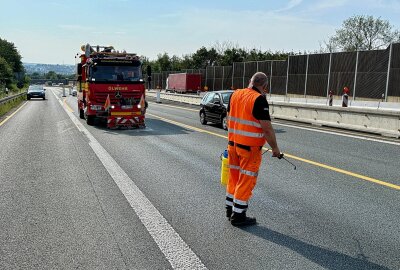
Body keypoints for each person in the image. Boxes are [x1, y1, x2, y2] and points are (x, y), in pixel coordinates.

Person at [226, 72, 281, 226]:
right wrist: (275, 148)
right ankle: (238, 216)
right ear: (264, 86)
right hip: (249, 150)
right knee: (245, 180)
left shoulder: (235, 94)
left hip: (232, 145)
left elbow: (229, 118)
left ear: (250, 81)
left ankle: (230, 209)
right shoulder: (259, 100)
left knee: (234, 178)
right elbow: (267, 129)